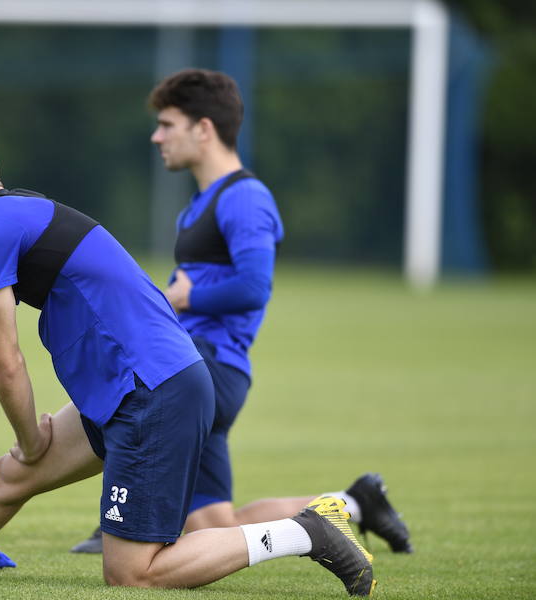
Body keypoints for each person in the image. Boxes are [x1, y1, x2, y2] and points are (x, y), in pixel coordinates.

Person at [0, 128, 376, 595]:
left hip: (154, 391)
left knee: (133, 574)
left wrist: (31, 439)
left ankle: (305, 531)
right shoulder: (9, 225)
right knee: (12, 476)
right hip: (139, 387)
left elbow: (4, 363)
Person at [70, 69, 412, 554]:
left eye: (167, 124)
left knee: (126, 391)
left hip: (211, 366)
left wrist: (185, 299)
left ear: (203, 128)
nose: (157, 136)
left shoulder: (245, 198)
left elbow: (254, 287)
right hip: (200, 365)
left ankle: (116, 523)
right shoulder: (198, 204)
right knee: (217, 525)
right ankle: (356, 503)